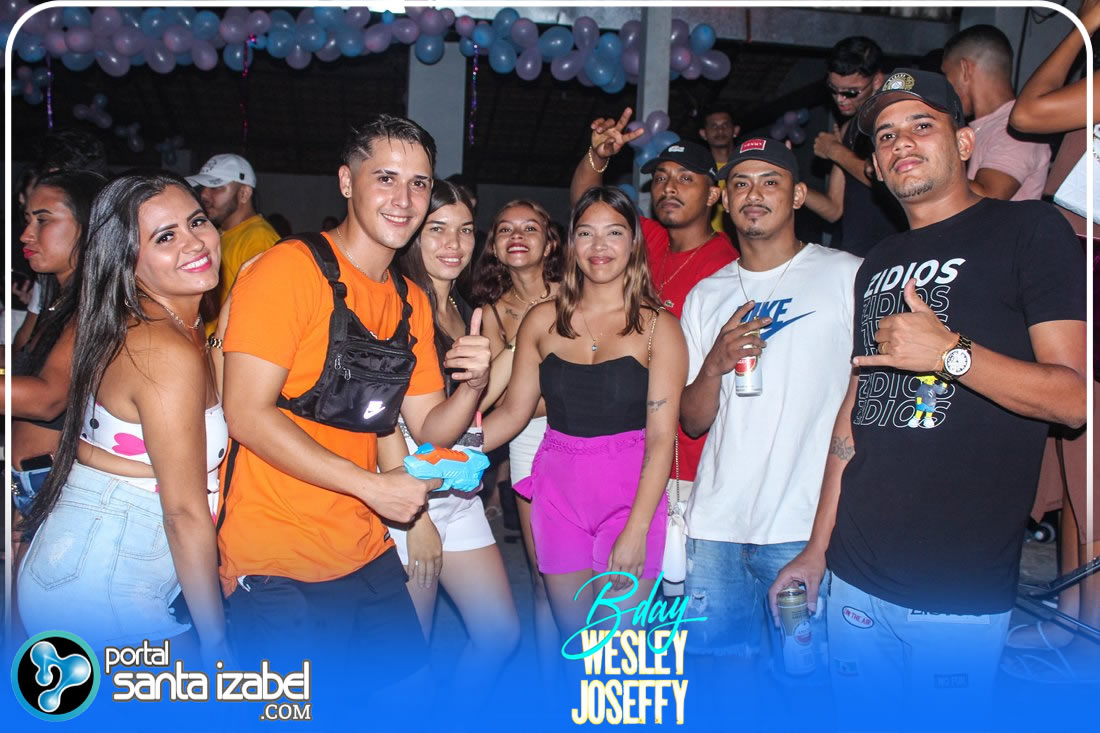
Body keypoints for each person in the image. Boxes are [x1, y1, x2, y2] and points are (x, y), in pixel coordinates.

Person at [769, 69, 1087, 717]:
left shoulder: (1031, 230)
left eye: (922, 124)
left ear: (965, 142)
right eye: (885, 135)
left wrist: (949, 354)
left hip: (957, 587)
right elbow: (854, 412)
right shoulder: (878, 263)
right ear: (876, 166)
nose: (901, 143)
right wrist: (817, 549)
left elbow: (1073, 400)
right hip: (854, 573)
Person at [216, 114, 490, 673]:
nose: (404, 200)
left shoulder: (409, 299)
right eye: (385, 178)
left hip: (364, 546)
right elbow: (245, 413)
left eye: (418, 183)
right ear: (346, 181)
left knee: (398, 696)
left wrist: (472, 387)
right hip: (277, 557)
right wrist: (373, 486)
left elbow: (431, 428)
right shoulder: (288, 270)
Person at [18, 173, 230, 665]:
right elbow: (183, 512)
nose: (194, 242)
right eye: (165, 237)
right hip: (101, 582)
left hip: (91, 562)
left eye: (196, 221)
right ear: (127, 259)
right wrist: (218, 640)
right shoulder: (161, 349)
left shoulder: (170, 325)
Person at [678, 139, 861, 668]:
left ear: (799, 195)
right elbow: (692, 421)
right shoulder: (707, 294)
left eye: (770, 182)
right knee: (718, 677)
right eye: (740, 183)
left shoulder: (848, 275)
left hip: (804, 527)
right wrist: (714, 364)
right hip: (715, 526)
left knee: (806, 680)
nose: (753, 194)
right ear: (725, 199)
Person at [482, 186, 687, 645]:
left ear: (633, 243)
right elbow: (513, 413)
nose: (599, 246)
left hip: (630, 501)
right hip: (557, 500)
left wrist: (636, 530)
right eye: (586, 233)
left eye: (614, 233)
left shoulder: (659, 328)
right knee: (577, 643)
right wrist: (453, 451)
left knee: (616, 649)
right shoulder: (541, 320)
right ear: (571, 242)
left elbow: (661, 438)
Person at [572, 110, 738, 565]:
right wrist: (598, 157)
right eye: (661, 178)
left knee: (677, 585)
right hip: (628, 446)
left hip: (689, 454)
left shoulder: (728, 266)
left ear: (713, 194)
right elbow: (588, 206)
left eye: (685, 178)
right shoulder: (649, 241)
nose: (668, 187)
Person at [389, 180, 520, 674]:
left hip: (458, 497)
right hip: (408, 502)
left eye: (465, 230)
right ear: (412, 235)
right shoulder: (397, 307)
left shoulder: (463, 311)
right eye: (437, 229)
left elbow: (471, 409)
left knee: (500, 634)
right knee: (409, 664)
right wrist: (416, 519)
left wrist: (519, 345)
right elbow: (384, 424)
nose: (454, 243)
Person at [1004, 0, 1099, 672]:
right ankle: (1073, 622)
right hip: (1079, 265)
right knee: (1074, 468)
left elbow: (1028, 112)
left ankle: (1087, 634)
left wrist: (1082, 24)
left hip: (1090, 267)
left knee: (1088, 465)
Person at [470, 198, 562, 684]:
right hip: (525, 440)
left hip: (588, 435)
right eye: (505, 229)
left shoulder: (579, 291)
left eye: (530, 227)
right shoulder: (491, 312)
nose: (517, 236)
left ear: (550, 242)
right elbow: (497, 396)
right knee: (545, 575)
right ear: (494, 246)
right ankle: (550, 694)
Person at [802, 36, 906, 256]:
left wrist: (834, 151)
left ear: (877, 81)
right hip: (853, 253)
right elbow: (833, 209)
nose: (840, 99)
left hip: (891, 251)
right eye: (833, 89)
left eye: (851, 92)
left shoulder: (893, 120)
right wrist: (790, 185)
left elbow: (890, 180)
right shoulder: (848, 127)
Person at [941, 25, 1051, 201]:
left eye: (947, 76)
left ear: (965, 69)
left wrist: (921, 168)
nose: (945, 88)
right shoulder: (987, 128)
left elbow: (988, 198)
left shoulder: (1015, 131)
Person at [186, 154, 279, 313]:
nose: (204, 195)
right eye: (203, 187)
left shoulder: (259, 239)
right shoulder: (218, 233)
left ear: (244, 194)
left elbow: (261, 311)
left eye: (216, 187)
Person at [697, 105, 742, 232]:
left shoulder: (747, 166)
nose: (720, 130)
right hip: (709, 240)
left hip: (741, 240)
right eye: (714, 126)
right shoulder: (698, 170)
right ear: (703, 134)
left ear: (735, 130)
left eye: (725, 125)